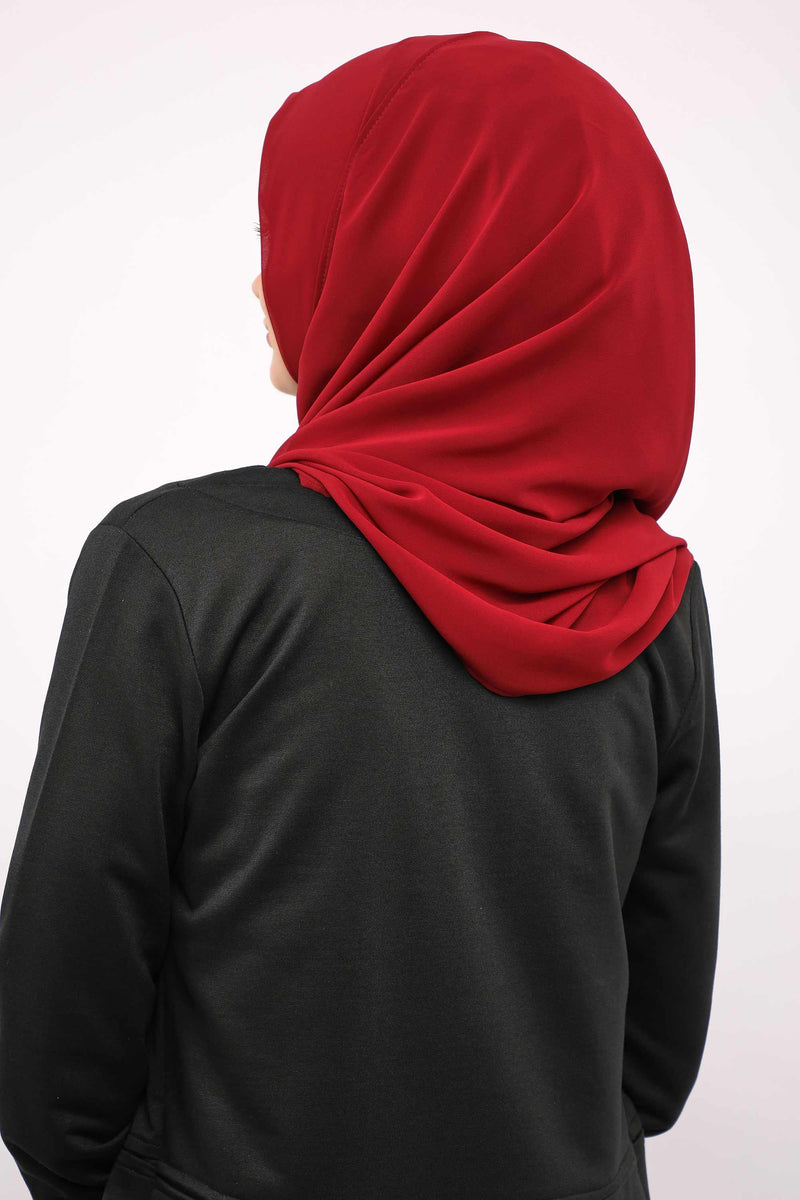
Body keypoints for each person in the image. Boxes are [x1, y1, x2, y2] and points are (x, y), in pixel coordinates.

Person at [0, 30, 720, 1200]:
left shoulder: (180, 562)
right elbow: (651, 1062)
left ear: (413, 254)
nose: (261, 284)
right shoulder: (648, 593)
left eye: (299, 232)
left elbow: (53, 1038)